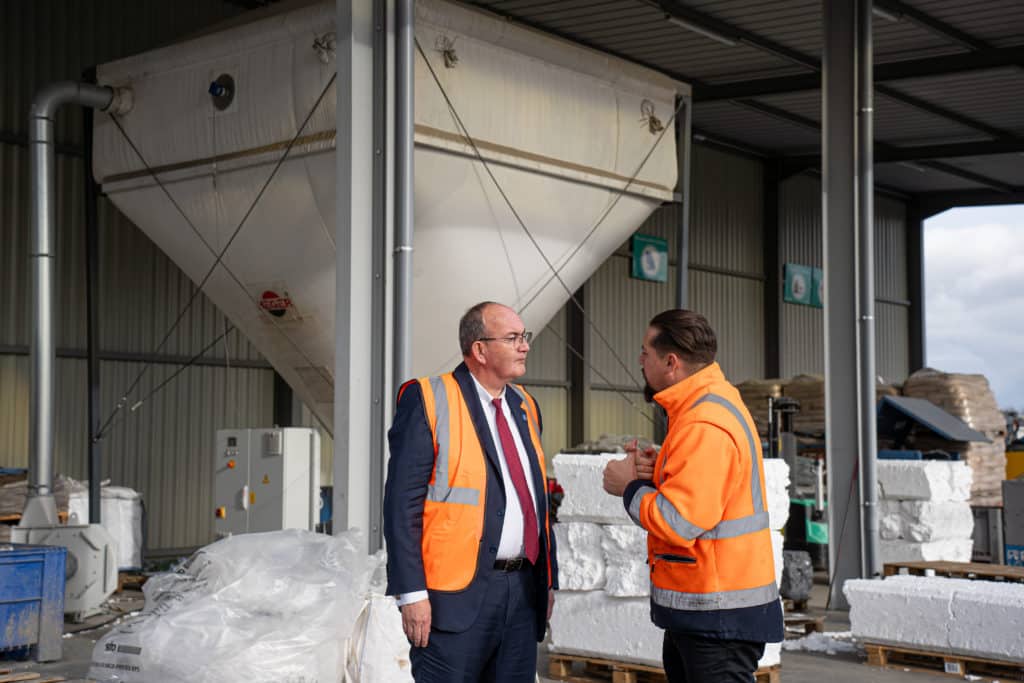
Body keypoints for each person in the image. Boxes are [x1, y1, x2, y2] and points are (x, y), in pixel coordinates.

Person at [603, 309, 783, 682]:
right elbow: (708, 494)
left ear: (671, 362)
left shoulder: (703, 422)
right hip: (709, 611)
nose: (640, 361)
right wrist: (658, 473)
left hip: (717, 614)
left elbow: (679, 522)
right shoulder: (705, 407)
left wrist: (629, 486)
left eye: (644, 353)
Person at [383, 301, 558, 683]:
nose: (525, 346)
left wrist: (547, 579)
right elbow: (402, 506)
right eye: (512, 338)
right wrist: (411, 594)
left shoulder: (525, 404)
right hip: (454, 598)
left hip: (522, 591)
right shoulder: (428, 398)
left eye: (523, 337)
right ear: (479, 349)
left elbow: (536, 501)